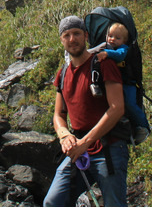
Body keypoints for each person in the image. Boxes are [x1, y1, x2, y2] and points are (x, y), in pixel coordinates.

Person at [43, 16, 129, 207]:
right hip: (79, 150)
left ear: (86, 36)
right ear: (61, 40)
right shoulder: (63, 73)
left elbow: (117, 108)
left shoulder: (103, 64)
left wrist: (84, 143)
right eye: (67, 35)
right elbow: (59, 114)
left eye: (76, 33)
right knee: (53, 202)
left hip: (109, 148)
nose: (72, 39)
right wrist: (65, 136)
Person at [95, 22, 151, 145]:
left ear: (124, 41)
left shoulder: (123, 49)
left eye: (117, 38)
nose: (113, 39)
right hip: (115, 83)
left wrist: (107, 54)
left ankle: (144, 126)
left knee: (130, 104)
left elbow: (120, 56)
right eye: (110, 36)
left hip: (128, 84)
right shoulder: (106, 47)